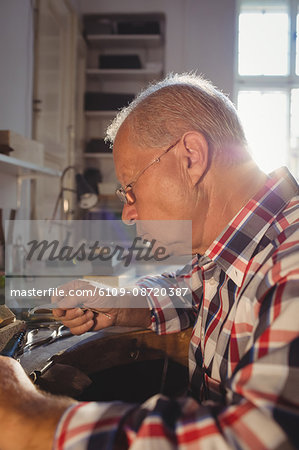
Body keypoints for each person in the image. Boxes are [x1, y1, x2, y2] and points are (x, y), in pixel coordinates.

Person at [0, 73, 298, 450]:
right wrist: (123, 303)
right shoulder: (232, 251)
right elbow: (187, 288)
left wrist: (27, 416)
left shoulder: (290, 260)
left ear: (191, 156)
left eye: (130, 189)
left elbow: (255, 440)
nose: (127, 213)